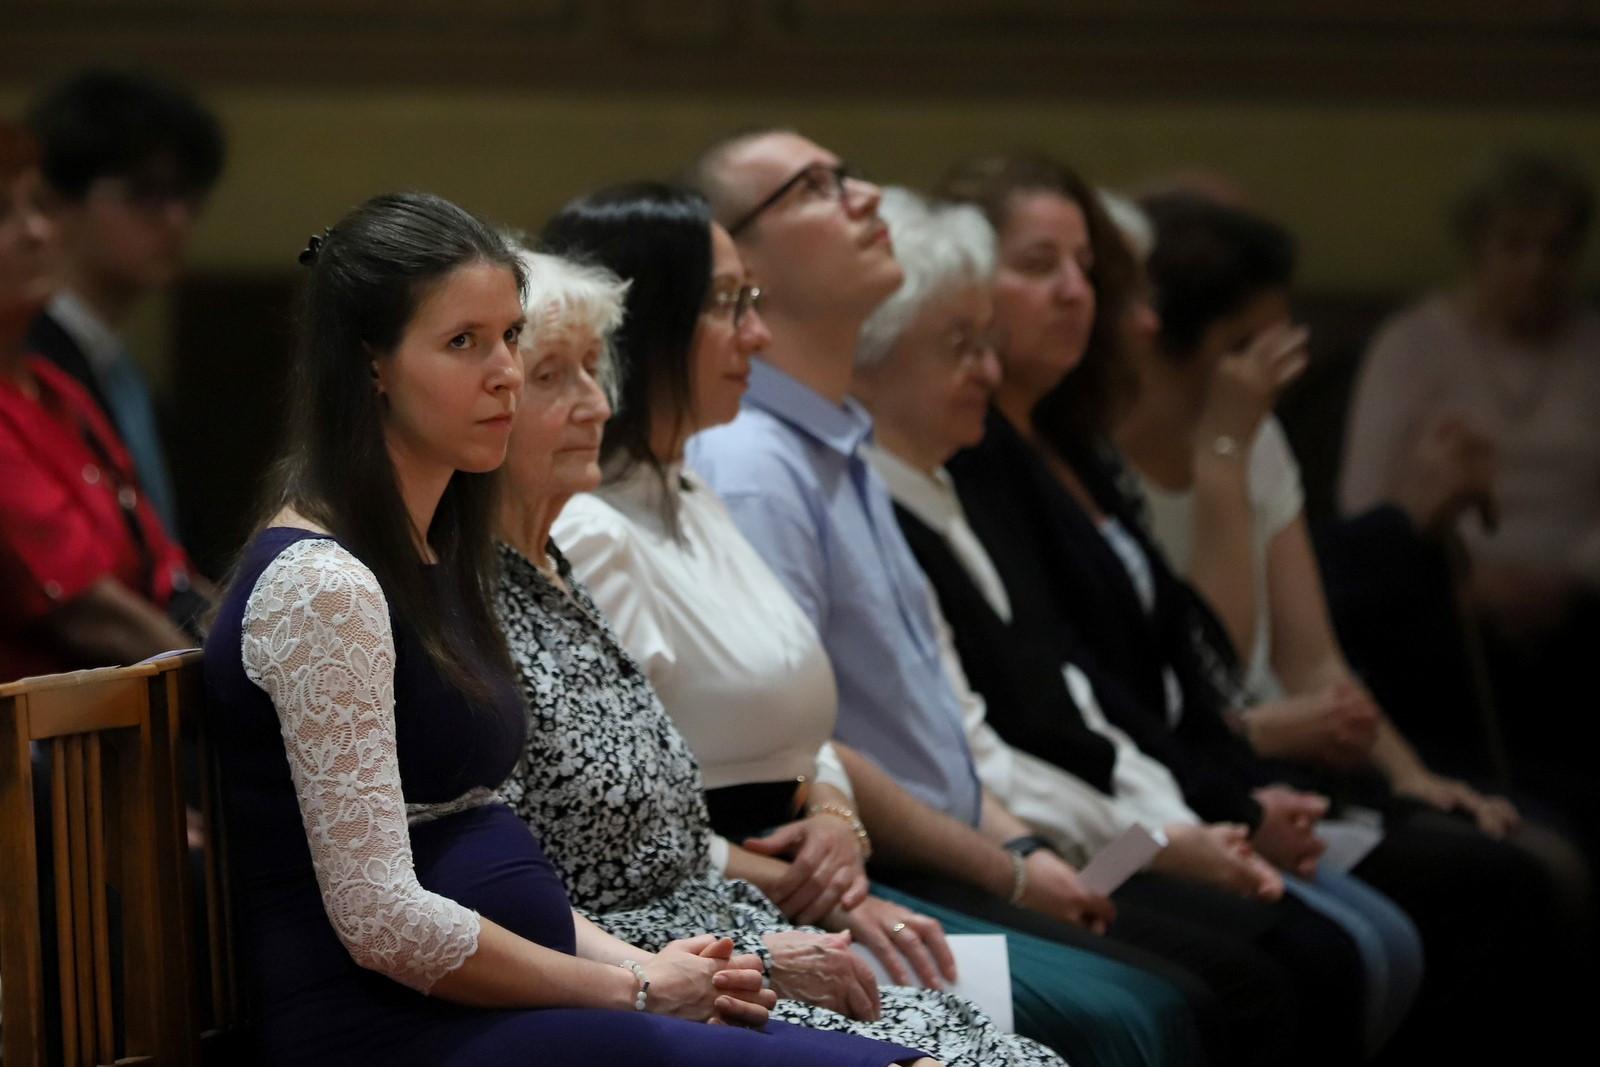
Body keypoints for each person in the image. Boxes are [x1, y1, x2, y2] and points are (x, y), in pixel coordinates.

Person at [682, 128, 1370, 1067]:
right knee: (1179, 1001)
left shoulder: (849, 449)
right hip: (891, 860)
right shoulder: (754, 462)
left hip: (967, 838)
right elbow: (809, 746)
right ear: (741, 258)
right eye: (813, 188)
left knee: (1264, 969)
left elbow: (979, 725)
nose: (865, 195)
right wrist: (1023, 862)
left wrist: (1043, 849)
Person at [201, 190, 931, 1067]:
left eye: (509, 335)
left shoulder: (432, 555)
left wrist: (646, 969)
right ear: (372, 365)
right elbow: (384, 921)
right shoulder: (323, 584)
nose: (504, 372)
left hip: (516, 999)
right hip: (393, 1028)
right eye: (463, 342)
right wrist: (636, 988)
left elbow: (489, 854)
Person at [933, 150, 1577, 1064]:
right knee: (1328, 950)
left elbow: (1212, 661)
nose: (1093, 300)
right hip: (1112, 809)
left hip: (1182, 784)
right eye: (1044, 266)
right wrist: (1210, 805)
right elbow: (1061, 706)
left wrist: (1394, 776)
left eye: (1090, 270)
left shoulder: (1066, 445)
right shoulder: (981, 456)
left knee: (1472, 887)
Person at [538, 181, 1199, 1067]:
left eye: (752, 302)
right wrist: (823, 876)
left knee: (1150, 1004)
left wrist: (837, 819)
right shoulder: (594, 529)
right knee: (1112, 1019)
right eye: (728, 306)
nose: (756, 335)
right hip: (723, 897)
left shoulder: (693, 494)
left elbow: (808, 728)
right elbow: (616, 808)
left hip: (817, 873)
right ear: (652, 322)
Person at [853, 184, 1423, 1058]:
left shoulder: (972, 477)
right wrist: (1157, 837)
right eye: (959, 346)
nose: (988, 371)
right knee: (1257, 976)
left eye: (1095, 274)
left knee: (1349, 945)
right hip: (983, 848)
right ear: (867, 359)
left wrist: (1184, 822)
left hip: (1073, 823)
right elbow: (971, 752)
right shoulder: (899, 490)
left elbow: (1094, 692)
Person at [492, 245, 1051, 1067]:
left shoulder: (565, 563)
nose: (598, 401)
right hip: (668, 957)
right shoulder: (534, 566)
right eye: (551, 376)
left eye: (592, 368)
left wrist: (831, 816)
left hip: (734, 916)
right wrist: (776, 923)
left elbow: (742, 765)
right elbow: (516, 881)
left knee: (1025, 1050)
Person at [1341, 149, 1600, 791]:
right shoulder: (1412, 345)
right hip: (1444, 591)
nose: (1535, 267)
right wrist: (1463, 580)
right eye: (1514, 245)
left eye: (1555, 248)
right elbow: (1365, 502)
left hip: (1578, 593)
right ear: (1476, 246)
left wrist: (1567, 577)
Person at [0, 118, 201, 684]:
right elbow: (90, 614)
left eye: (39, 205)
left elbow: (166, 571)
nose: (39, 231)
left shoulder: (55, 386)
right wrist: (227, 698)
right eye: (3, 214)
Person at [25, 68, 226, 534]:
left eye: (186, 195)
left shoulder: (129, 377)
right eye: (146, 192)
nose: (176, 219)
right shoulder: (29, 362)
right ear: (57, 202)